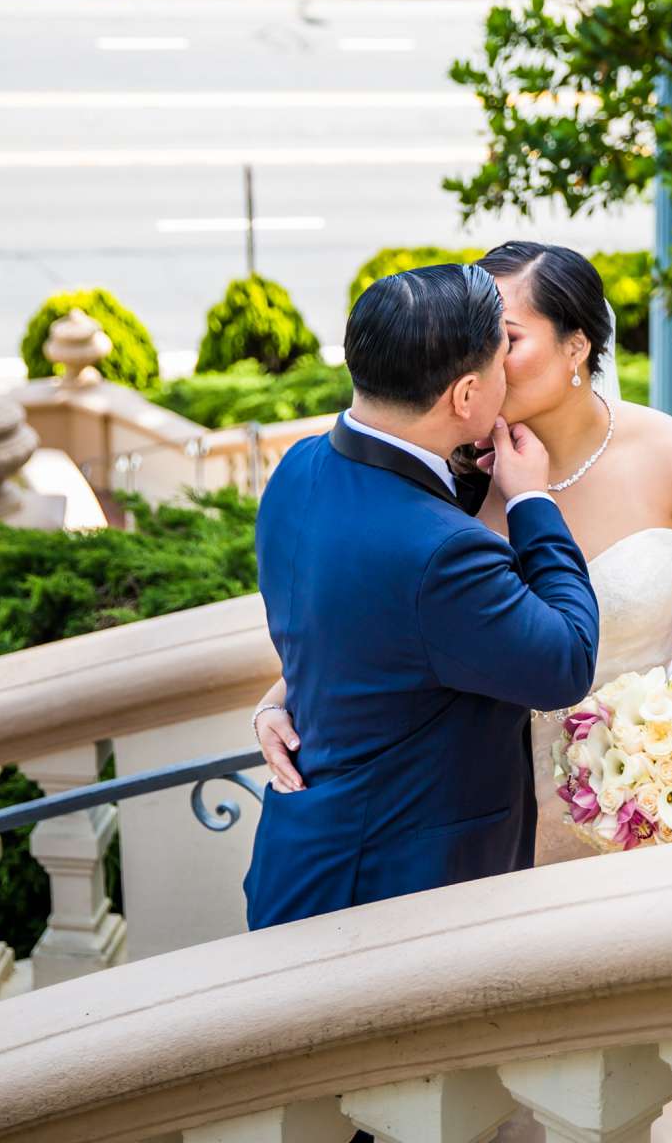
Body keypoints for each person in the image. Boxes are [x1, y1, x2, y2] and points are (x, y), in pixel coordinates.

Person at [252, 243, 672, 864]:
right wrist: (280, 699)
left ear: (578, 346)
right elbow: (397, 615)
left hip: (643, 805)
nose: (483, 355)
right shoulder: (448, 475)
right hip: (485, 815)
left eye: (505, 337)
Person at [241, 263, 600, 930]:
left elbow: (351, 628)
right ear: (466, 395)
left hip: (303, 856)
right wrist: (531, 502)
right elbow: (566, 662)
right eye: (500, 361)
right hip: (391, 894)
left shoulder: (299, 467)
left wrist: (284, 692)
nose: (508, 376)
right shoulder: (441, 552)